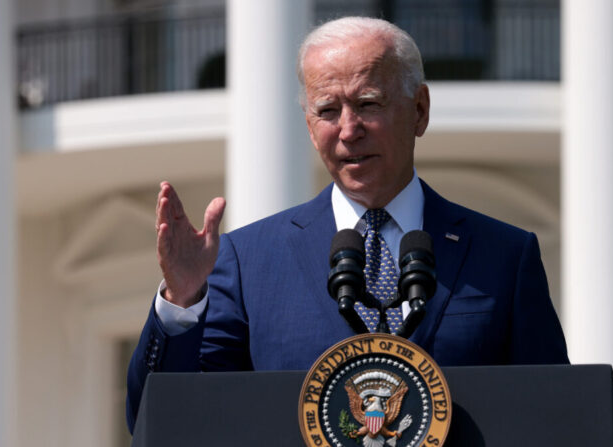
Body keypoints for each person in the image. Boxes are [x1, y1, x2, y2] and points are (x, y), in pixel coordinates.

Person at [126, 16, 568, 432]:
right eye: (328, 111)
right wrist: (181, 301)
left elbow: (557, 415)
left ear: (419, 110)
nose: (348, 129)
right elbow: (162, 418)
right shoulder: (246, 261)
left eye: (367, 104)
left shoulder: (504, 256)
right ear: (308, 123)